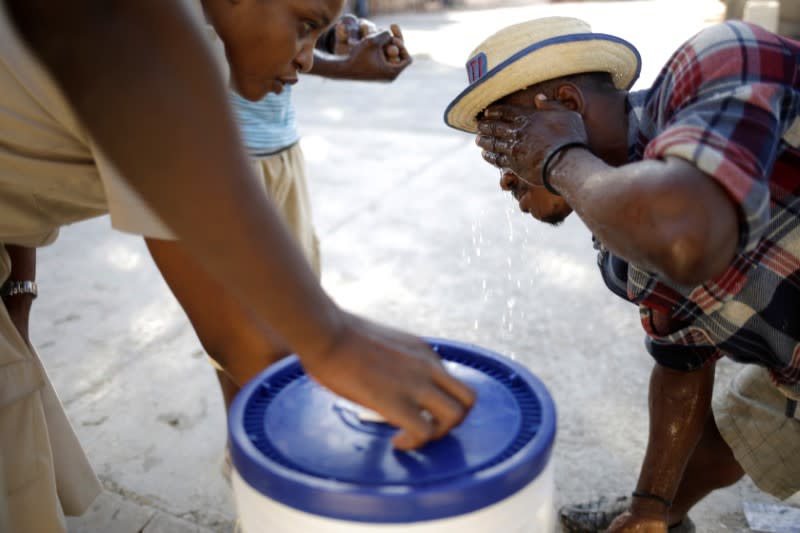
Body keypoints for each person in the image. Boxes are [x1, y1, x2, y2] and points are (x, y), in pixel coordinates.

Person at [0, 0, 475, 531]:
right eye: (303, 27)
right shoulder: (152, 57)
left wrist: (17, 288)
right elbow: (241, 339)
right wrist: (333, 347)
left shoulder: (186, 64)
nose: (308, 59)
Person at [444, 16, 800, 533]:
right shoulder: (621, 245)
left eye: (508, 141)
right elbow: (683, 364)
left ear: (565, 105)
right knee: (742, 424)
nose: (504, 176)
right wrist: (649, 509)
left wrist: (558, 159)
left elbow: (685, 238)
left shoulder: (720, 59)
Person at [212, 14, 411, 409]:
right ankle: (247, 437)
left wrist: (340, 46)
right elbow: (210, 40)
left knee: (296, 297)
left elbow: (277, 37)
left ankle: (271, 426)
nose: (305, 61)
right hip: (225, 155)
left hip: (283, 147)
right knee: (238, 322)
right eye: (305, 27)